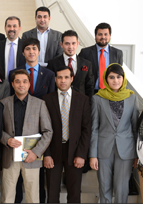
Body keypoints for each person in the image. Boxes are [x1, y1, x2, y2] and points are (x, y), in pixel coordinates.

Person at [8, 37, 55, 202]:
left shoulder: (49, 75)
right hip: (14, 145)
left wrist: (38, 151)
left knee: (35, 190)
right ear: (23, 52)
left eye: (34, 48)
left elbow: (49, 107)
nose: (31, 52)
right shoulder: (15, 73)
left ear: (39, 51)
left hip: (35, 142)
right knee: (13, 192)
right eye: (27, 49)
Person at [0, 69, 53, 203]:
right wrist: (7, 139)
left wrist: (35, 153)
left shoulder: (39, 104)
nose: (21, 84)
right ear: (12, 84)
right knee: (7, 197)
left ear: (29, 84)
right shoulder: (3, 103)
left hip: (31, 158)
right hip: (10, 156)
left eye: (24, 81)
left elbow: (48, 131)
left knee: (33, 198)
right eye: (17, 82)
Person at [89, 63, 139, 203]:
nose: (115, 80)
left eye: (118, 77)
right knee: (104, 186)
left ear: (123, 79)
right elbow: (94, 128)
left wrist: (136, 154)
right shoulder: (97, 98)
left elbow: (135, 127)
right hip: (103, 149)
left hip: (126, 149)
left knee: (122, 187)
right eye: (111, 77)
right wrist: (92, 155)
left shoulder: (131, 97)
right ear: (106, 79)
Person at [43, 66, 92, 203]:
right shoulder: (46, 99)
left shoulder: (82, 99)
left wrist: (81, 154)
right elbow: (42, 129)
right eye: (59, 77)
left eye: (66, 77)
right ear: (55, 79)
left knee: (74, 193)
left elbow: (86, 129)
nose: (63, 81)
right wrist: (46, 154)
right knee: (52, 193)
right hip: (53, 151)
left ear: (72, 79)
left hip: (75, 151)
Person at [47, 30, 94, 103]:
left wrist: (88, 105)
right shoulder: (52, 63)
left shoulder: (87, 64)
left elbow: (90, 87)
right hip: (60, 103)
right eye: (67, 44)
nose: (70, 47)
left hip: (80, 103)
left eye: (73, 43)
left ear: (77, 44)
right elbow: (51, 87)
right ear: (61, 45)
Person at [78, 22, 123, 94]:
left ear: (110, 36)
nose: (103, 37)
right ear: (95, 36)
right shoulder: (85, 52)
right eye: (100, 34)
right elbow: (79, 74)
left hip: (111, 92)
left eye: (106, 34)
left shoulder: (118, 53)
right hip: (91, 93)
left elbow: (120, 74)